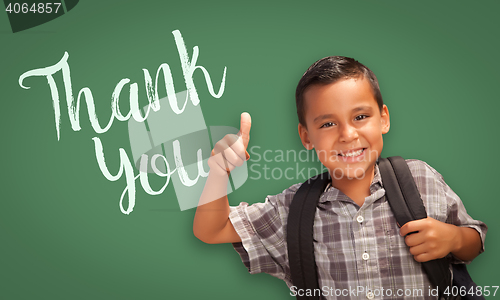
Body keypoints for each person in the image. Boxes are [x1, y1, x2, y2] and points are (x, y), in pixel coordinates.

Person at [193, 56, 487, 299]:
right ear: (306, 136)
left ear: (383, 118)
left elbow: (474, 239)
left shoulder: (420, 178)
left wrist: (454, 238)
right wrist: (219, 172)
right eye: (329, 123)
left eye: (360, 117)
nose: (347, 135)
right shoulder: (293, 209)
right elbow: (212, 229)